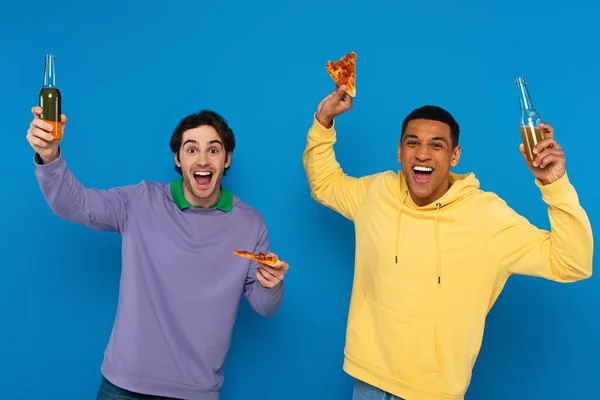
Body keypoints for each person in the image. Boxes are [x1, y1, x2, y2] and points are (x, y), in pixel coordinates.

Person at [302, 85, 593, 400]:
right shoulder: (376, 193)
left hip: (434, 392)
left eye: (436, 145)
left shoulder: (487, 216)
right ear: (400, 152)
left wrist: (554, 183)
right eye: (413, 143)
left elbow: (571, 263)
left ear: (455, 155)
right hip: (368, 379)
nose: (423, 154)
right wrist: (323, 121)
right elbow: (325, 184)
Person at [26, 106, 289, 400]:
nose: (202, 160)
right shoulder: (139, 201)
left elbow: (265, 306)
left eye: (213, 150)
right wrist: (49, 157)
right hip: (124, 386)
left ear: (226, 159)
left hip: (196, 391)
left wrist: (271, 285)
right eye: (191, 150)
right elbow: (77, 204)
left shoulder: (249, 224)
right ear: (178, 159)